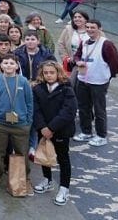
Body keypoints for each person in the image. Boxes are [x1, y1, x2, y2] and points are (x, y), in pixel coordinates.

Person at [0, 54, 33, 193]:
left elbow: (30, 103)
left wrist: (28, 121)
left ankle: (25, 178)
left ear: (17, 66)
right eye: (5, 63)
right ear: (1, 65)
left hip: (21, 124)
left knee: (21, 152)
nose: (9, 65)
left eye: (12, 63)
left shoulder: (23, 81)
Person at [32, 61, 78, 206]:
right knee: (44, 154)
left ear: (58, 73)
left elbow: (68, 111)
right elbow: (35, 109)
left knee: (63, 158)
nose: (49, 75)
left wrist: (51, 128)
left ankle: (64, 188)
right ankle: (47, 179)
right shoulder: (38, 89)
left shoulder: (66, 89)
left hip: (61, 131)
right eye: (46, 73)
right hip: (43, 130)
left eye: (52, 72)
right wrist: (42, 127)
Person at [70, 19, 118, 147]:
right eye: (87, 27)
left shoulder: (106, 44)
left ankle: (101, 135)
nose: (89, 30)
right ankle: (86, 132)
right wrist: (77, 61)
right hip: (83, 79)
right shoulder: (85, 42)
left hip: (99, 82)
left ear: (100, 28)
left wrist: (108, 77)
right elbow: (77, 55)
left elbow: (116, 64)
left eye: (93, 27)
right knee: (83, 107)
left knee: (99, 109)